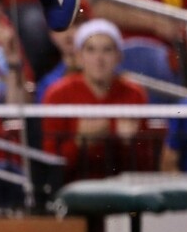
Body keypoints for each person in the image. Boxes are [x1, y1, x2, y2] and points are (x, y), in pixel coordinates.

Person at [41, 19, 155, 181]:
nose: (99, 59)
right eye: (91, 50)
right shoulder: (57, 94)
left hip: (124, 189)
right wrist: (79, 142)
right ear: (79, 57)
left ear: (118, 56)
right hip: (73, 190)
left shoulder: (135, 94)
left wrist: (129, 144)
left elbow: (147, 166)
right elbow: (49, 166)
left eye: (107, 50)